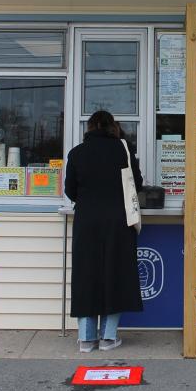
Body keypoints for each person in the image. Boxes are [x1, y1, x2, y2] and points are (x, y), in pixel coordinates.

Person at [64, 110, 143, 352]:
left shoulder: (77, 153)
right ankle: (108, 337)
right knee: (115, 274)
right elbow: (136, 184)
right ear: (113, 127)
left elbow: (70, 190)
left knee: (86, 275)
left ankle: (86, 340)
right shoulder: (123, 150)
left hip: (87, 221)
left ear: (89, 128)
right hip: (118, 221)